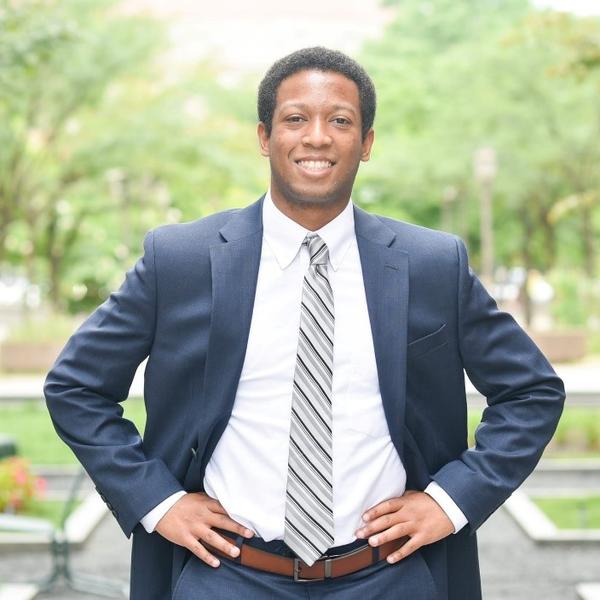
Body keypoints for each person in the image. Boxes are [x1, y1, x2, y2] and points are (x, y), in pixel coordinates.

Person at [44, 47, 565, 600]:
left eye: (340, 121)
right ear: (265, 137)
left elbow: (531, 392)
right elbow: (75, 387)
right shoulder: (181, 260)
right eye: (296, 119)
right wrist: (157, 501)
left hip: (390, 577)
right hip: (227, 577)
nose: (317, 137)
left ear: (365, 143)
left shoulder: (432, 264)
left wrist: (450, 499)